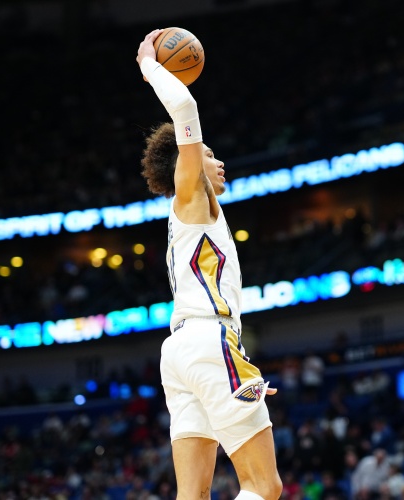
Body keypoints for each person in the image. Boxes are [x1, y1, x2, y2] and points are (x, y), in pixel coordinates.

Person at [135, 30, 282, 500]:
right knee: (264, 486)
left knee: (192, 496)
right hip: (208, 342)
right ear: (188, 163)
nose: (217, 162)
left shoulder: (187, 219)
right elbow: (185, 109)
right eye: (208, 154)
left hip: (182, 353)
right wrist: (150, 65)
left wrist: (229, 371)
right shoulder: (192, 197)